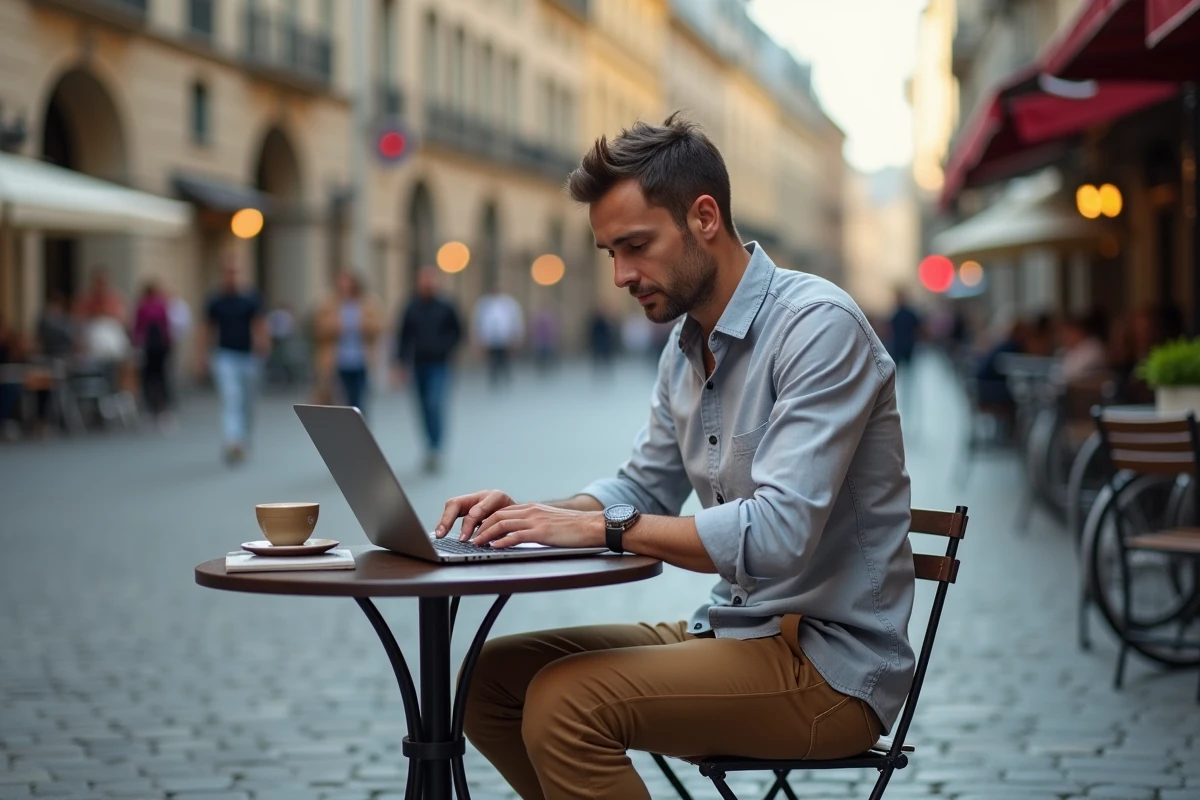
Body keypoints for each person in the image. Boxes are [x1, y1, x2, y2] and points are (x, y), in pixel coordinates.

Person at [433, 114, 913, 800]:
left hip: (829, 666)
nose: (623, 275)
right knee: (488, 680)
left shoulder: (817, 327)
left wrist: (603, 528)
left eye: (636, 245)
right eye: (610, 254)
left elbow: (777, 535)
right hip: (733, 632)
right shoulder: (687, 343)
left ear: (705, 217)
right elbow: (643, 485)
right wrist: (537, 515)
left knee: (570, 704)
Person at [197, 257, 268, 464]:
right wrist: (201, 356)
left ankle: (243, 437)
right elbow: (206, 329)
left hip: (248, 357)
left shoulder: (250, 299)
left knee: (247, 401)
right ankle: (232, 441)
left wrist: (263, 345)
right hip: (224, 355)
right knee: (231, 398)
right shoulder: (216, 300)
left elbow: (260, 324)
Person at [396, 266, 463, 473]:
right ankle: (428, 445)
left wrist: (445, 347)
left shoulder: (446, 306)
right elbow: (404, 336)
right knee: (423, 407)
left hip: (439, 364)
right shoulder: (411, 306)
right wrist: (399, 362)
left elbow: (458, 332)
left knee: (435, 403)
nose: (426, 284)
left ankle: (436, 447)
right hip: (418, 364)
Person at [314, 270, 383, 416]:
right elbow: (318, 328)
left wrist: (363, 326)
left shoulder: (367, 302)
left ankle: (360, 431)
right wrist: (334, 327)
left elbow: (378, 327)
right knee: (338, 401)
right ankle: (344, 431)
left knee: (358, 400)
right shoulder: (329, 303)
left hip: (360, 359)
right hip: (336, 360)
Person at [132, 280, 174, 428]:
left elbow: (138, 328)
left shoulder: (143, 307)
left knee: (149, 378)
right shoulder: (160, 306)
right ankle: (162, 409)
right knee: (161, 378)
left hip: (150, 348)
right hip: (160, 348)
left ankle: (152, 410)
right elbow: (166, 328)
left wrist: (136, 345)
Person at [472, 283, 524, 385]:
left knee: (505, 359)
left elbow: (515, 320)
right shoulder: (484, 303)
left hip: (505, 337)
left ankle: (505, 377)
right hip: (490, 338)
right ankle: (494, 378)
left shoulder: (508, 303)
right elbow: (478, 321)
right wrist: (478, 338)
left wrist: (516, 336)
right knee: (492, 360)